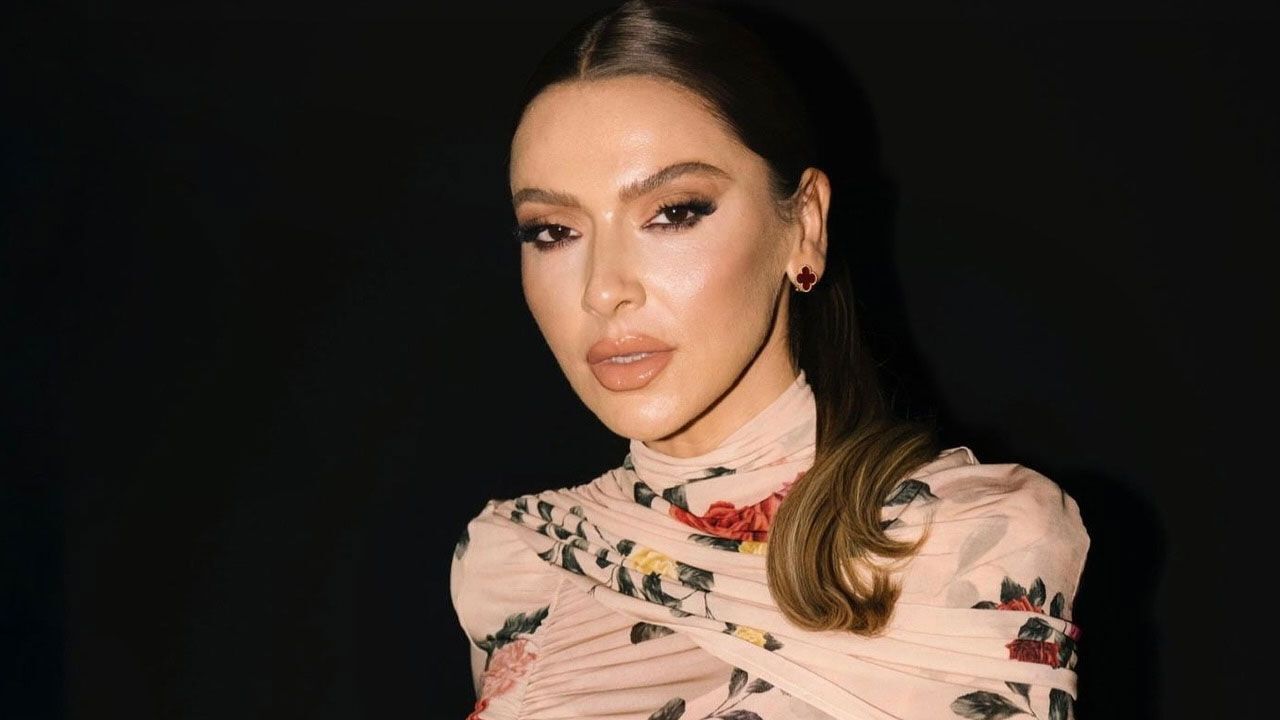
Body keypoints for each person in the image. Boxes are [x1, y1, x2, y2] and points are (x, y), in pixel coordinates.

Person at [449, 1, 1090, 718]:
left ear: (804, 225)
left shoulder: (972, 541)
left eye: (674, 212)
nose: (603, 289)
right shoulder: (520, 557)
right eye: (552, 231)